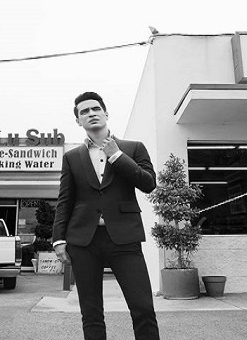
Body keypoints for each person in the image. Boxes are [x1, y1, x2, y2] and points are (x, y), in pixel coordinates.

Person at [52, 91, 160, 340]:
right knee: (91, 313)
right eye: (84, 112)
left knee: (143, 307)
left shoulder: (133, 148)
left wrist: (116, 155)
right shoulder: (72, 157)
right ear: (78, 120)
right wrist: (58, 239)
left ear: (106, 113)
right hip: (83, 241)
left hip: (125, 238)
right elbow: (65, 200)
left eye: (95, 109)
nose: (91, 114)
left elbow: (148, 183)